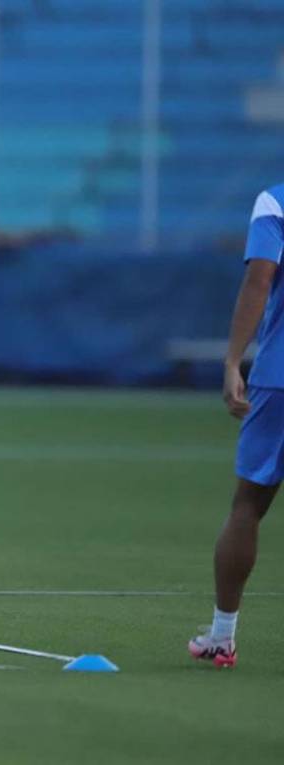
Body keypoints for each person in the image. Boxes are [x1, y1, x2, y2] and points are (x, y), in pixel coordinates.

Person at [190, 183, 284, 667]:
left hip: (279, 379)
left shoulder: (276, 201)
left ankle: (223, 636)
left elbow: (259, 280)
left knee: (248, 506)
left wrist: (232, 361)